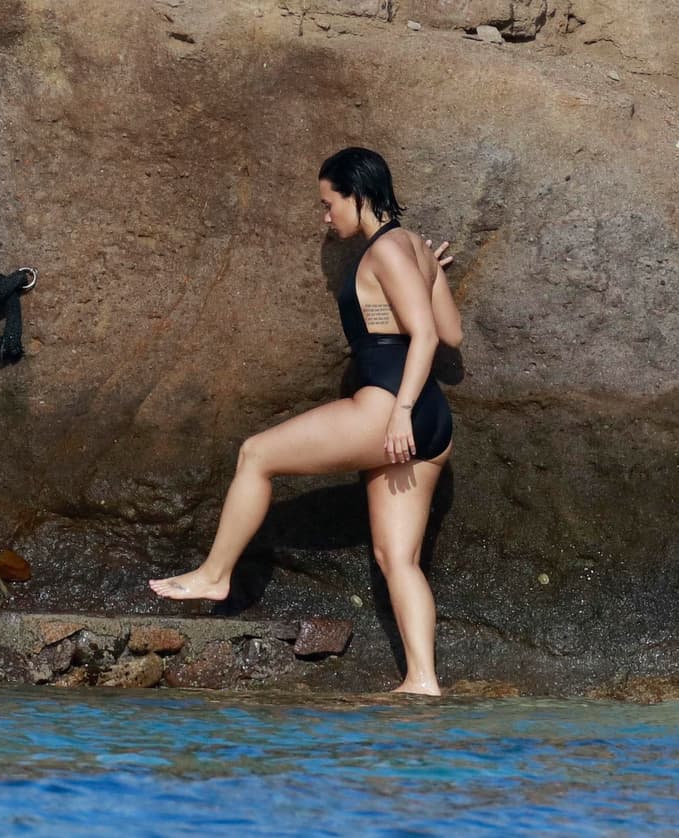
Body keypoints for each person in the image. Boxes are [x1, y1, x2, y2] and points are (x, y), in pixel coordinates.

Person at [150, 147, 463, 696]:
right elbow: (454, 331)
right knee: (398, 559)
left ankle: (215, 574)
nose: (325, 217)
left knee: (257, 454)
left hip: (393, 408)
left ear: (357, 195)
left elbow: (431, 337)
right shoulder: (414, 248)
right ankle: (422, 681)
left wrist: (401, 414)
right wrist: (434, 274)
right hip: (434, 424)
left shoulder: (389, 250)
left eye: (328, 203)